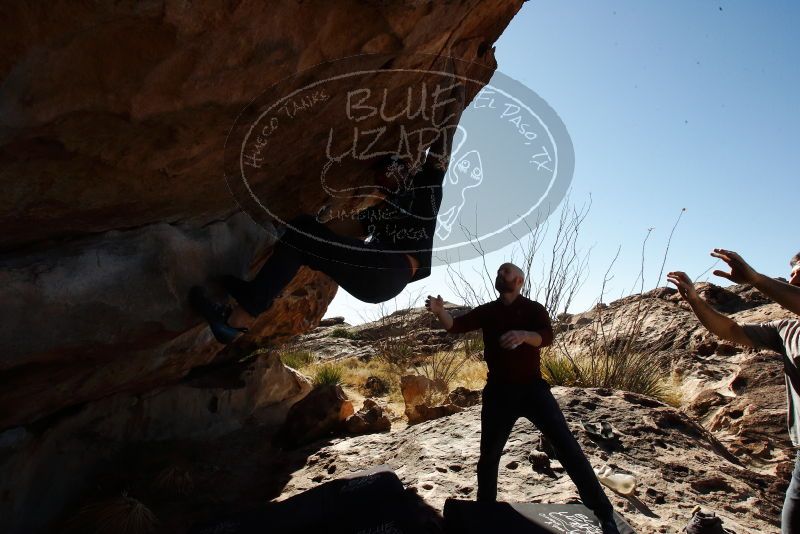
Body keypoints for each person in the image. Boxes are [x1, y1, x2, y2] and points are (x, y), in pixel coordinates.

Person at [190, 81, 466, 344]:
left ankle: (243, 312)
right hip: (375, 283)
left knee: (302, 235)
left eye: (391, 172)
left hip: (391, 270)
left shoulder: (427, 188)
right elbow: (334, 233)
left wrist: (456, 95)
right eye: (381, 178)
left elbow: (444, 140)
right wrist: (292, 229)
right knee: (302, 235)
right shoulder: (378, 214)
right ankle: (238, 318)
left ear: (405, 171)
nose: (385, 180)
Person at [425, 263, 621, 534]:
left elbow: (548, 337)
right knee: (489, 457)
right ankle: (486, 513)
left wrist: (524, 335)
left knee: (568, 448)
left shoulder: (533, 309)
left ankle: (604, 513)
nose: (499, 275)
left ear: (518, 280)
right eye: (498, 272)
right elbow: (455, 326)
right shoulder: (488, 310)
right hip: (498, 393)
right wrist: (440, 312)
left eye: (505, 272)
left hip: (533, 391)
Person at [667, 249, 800, 534]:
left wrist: (755, 279)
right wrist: (694, 300)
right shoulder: (787, 330)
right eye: (792, 272)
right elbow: (731, 330)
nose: (795, 276)